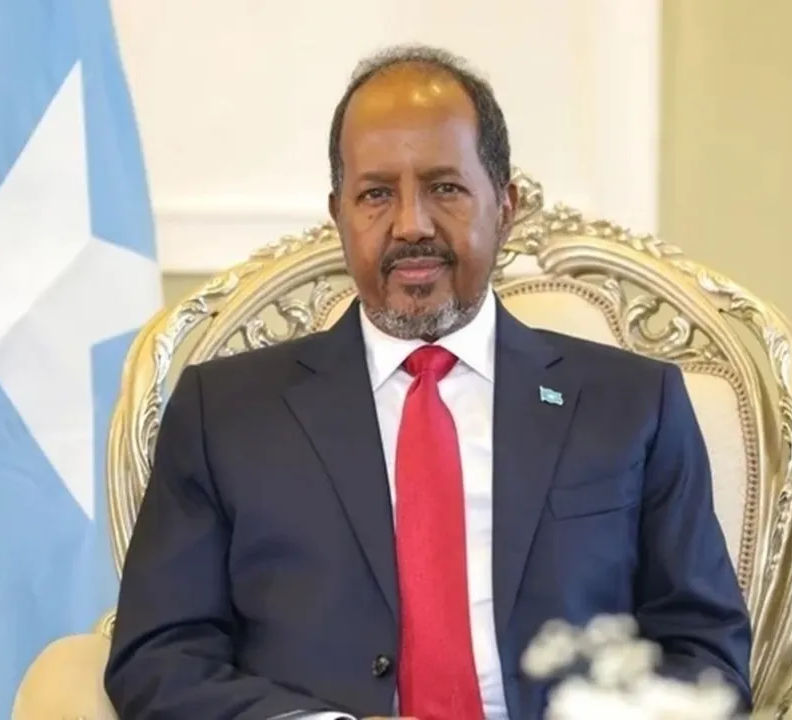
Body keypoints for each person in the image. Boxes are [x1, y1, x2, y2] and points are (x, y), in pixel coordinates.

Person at [104, 44, 752, 720]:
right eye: (376, 194)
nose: (411, 224)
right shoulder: (223, 416)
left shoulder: (632, 405)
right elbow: (159, 658)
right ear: (339, 214)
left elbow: (706, 653)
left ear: (505, 206)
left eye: (445, 188)